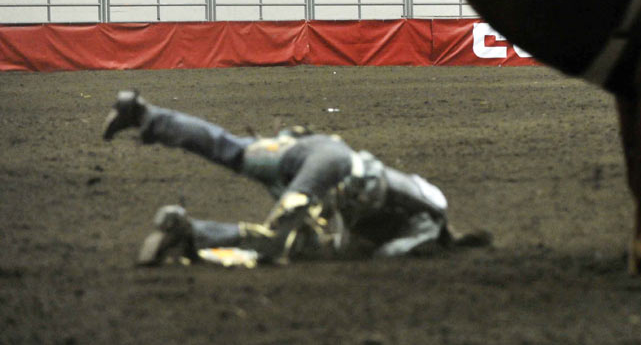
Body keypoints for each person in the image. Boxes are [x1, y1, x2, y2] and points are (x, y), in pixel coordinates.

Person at [102, 91, 488, 266]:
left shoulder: (421, 205)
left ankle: (145, 114)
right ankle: (189, 233)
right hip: (331, 167)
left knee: (228, 149)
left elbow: (343, 237)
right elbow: (393, 251)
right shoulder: (428, 218)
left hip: (311, 154)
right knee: (279, 243)